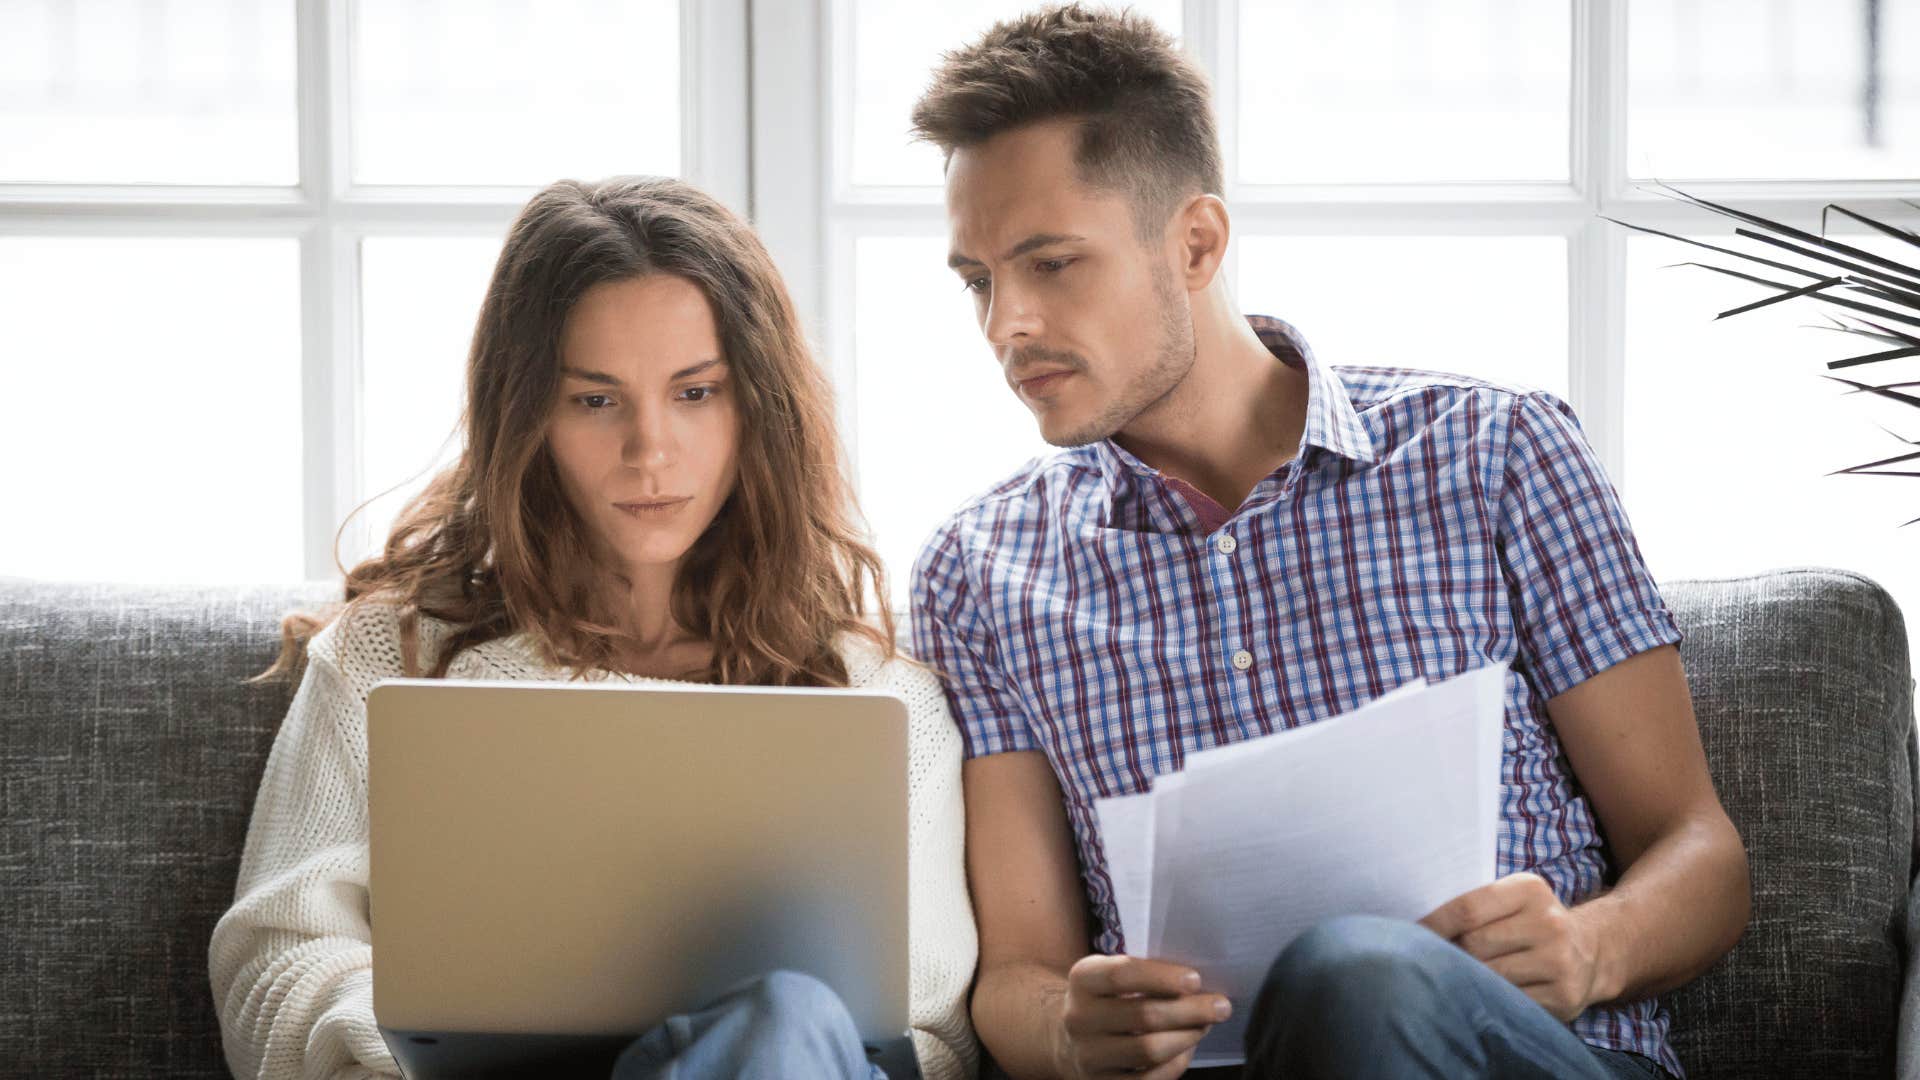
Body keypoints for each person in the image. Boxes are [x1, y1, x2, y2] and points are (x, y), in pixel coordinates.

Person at [905, 7, 1749, 1079]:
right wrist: (1074, 1030)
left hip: (1524, 1056)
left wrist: (1589, 948)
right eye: (979, 281)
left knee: (1358, 975)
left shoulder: (1497, 454)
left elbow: (1701, 854)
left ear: (1197, 242)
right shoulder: (982, 574)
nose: (1006, 324)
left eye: (1052, 264)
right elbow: (1019, 977)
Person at [208, 176, 979, 1080]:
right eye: (595, 401)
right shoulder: (393, 658)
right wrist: (427, 1052)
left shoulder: (880, 694)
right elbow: (277, 957)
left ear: (758, 407)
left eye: (695, 393)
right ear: (527, 414)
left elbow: (931, 1032)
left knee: (790, 1018)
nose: (650, 451)